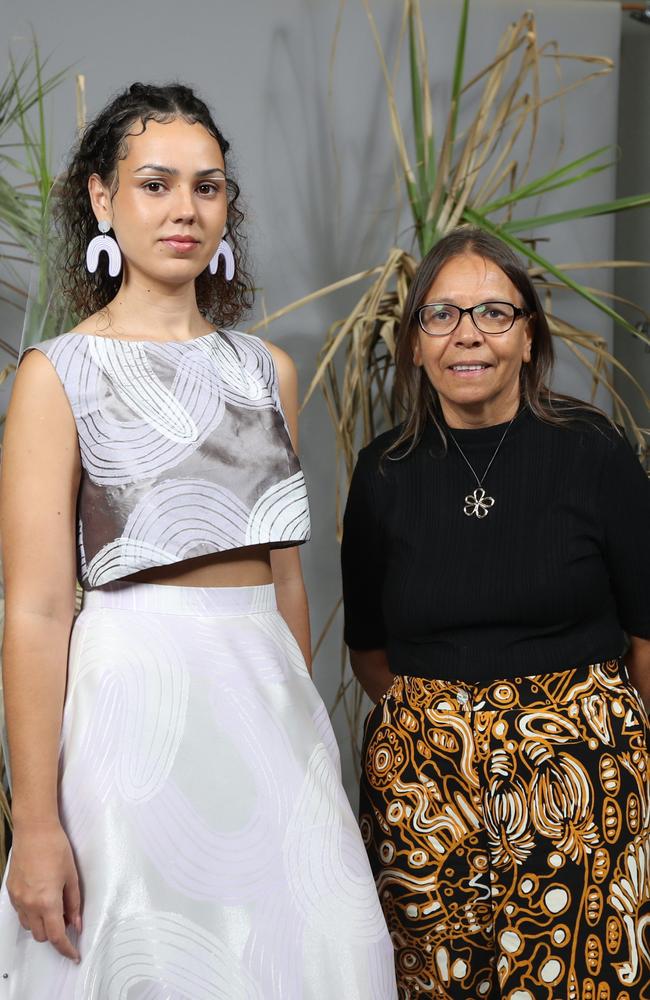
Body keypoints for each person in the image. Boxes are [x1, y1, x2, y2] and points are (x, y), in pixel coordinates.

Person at [0, 82, 397, 999]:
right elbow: (37, 607)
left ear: (228, 207)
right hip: (132, 711)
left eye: (208, 187)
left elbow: (286, 581)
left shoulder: (268, 370)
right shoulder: (56, 375)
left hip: (268, 706)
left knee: (322, 956)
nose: (185, 208)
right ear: (102, 199)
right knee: (153, 961)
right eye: (156, 184)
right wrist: (36, 822)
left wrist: (302, 738)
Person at [341, 226, 650, 999]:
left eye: (492, 313)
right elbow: (369, 649)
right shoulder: (383, 472)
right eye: (440, 315)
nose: (466, 335)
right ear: (413, 344)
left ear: (528, 334)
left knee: (583, 982)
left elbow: (647, 632)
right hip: (422, 794)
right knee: (436, 986)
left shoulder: (593, 450)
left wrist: (585, 741)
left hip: (580, 781)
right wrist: (450, 732)